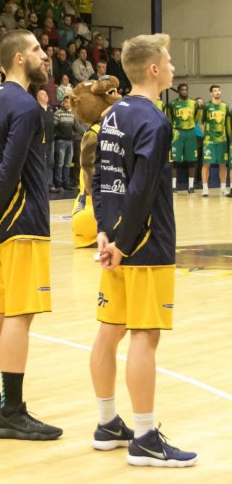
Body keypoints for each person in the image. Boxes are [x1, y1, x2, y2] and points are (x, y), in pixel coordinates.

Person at [89, 33, 197, 467]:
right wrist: (123, 241)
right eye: (168, 61)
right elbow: (142, 189)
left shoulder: (113, 114)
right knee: (144, 336)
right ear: (153, 69)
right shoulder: (154, 120)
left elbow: (99, 177)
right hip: (144, 243)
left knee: (109, 330)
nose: (172, 67)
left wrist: (103, 230)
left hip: (115, 239)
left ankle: (106, 424)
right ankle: (145, 437)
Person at [0, 29, 61, 440]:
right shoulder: (25, 105)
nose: (45, 55)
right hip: (23, 221)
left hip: (1, 219)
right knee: (19, 315)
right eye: (37, 49)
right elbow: (10, 167)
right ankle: (12, 410)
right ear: (19, 58)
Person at [166, 83, 198, 194]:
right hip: (177, 133)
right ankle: (173, 187)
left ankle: (191, 187)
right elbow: (169, 119)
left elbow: (196, 117)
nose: (184, 91)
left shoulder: (193, 103)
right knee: (174, 160)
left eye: (186, 89)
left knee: (191, 160)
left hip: (190, 133)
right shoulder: (172, 104)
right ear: (178, 91)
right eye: (182, 90)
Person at [198, 84, 229, 197]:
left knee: (223, 164)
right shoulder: (206, 106)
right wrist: (205, 135)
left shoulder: (225, 106)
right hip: (209, 141)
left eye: (218, 90)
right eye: (215, 91)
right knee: (206, 164)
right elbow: (201, 122)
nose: (217, 92)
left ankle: (223, 188)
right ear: (211, 93)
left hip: (222, 140)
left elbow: (227, 122)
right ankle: (205, 188)